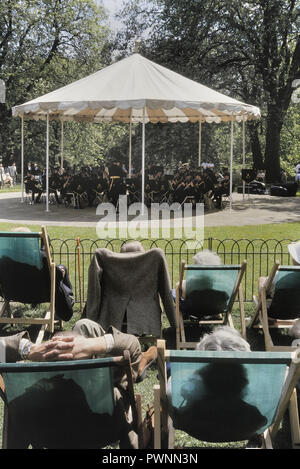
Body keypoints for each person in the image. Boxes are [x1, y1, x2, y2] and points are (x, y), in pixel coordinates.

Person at [0, 320, 157, 448]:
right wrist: (89, 346)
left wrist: (30, 348)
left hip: (46, 434)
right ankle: (141, 362)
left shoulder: (27, 402)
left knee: (84, 326)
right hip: (101, 433)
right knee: (86, 327)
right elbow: (132, 345)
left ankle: (139, 363)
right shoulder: (107, 403)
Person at [167, 326, 267, 443]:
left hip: (197, 431)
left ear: (202, 375)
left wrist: (171, 380)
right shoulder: (253, 416)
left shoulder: (188, 415)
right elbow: (263, 421)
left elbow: (178, 420)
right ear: (242, 380)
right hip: (242, 432)